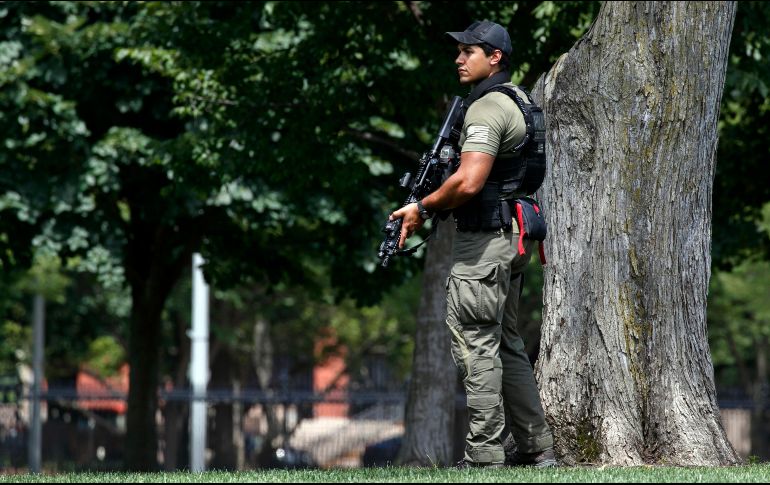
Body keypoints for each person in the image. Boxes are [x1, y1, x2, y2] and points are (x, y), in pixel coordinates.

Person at [389, 19, 556, 468]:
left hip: (484, 245)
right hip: (511, 239)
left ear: (495, 57)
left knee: (474, 343)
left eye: (469, 51)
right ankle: (536, 448)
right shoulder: (518, 98)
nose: (459, 58)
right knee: (506, 343)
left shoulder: (488, 108)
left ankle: (483, 455)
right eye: (458, 50)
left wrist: (421, 208)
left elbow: (468, 180)